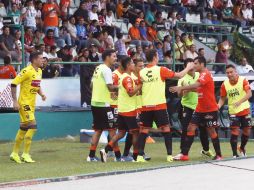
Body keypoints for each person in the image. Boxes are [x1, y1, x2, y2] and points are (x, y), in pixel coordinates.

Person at [136, 49, 194, 163]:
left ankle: (139, 156)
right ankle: (169, 156)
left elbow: (140, 88)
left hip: (146, 105)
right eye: (157, 55)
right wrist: (188, 67)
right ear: (155, 57)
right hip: (159, 105)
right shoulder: (161, 70)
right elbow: (179, 75)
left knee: (144, 130)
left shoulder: (141, 72)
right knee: (166, 129)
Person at [170, 57, 222, 161]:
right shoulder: (200, 75)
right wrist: (184, 89)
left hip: (209, 109)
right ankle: (184, 154)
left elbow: (197, 85)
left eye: (196, 63)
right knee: (190, 128)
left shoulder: (205, 74)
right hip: (199, 109)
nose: (194, 65)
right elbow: (197, 88)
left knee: (211, 131)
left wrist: (181, 88)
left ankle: (219, 155)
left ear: (202, 64)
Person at [100, 56, 142, 162]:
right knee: (136, 133)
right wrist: (141, 85)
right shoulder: (127, 78)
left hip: (122, 109)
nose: (134, 65)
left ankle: (105, 149)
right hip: (129, 110)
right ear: (128, 65)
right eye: (132, 63)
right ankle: (136, 157)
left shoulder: (126, 76)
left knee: (121, 133)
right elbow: (131, 92)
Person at [10, 51, 46, 164]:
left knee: (23, 129)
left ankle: (14, 153)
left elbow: (37, 84)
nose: (43, 60)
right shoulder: (26, 71)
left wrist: (42, 94)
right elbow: (13, 83)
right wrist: (15, 101)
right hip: (24, 103)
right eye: (41, 58)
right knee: (33, 126)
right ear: (34, 60)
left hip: (31, 103)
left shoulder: (39, 71)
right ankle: (25, 154)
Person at [87, 49, 120, 162]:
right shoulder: (106, 70)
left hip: (95, 102)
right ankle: (117, 156)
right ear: (107, 57)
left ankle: (91, 156)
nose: (116, 59)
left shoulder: (98, 68)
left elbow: (91, 85)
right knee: (112, 130)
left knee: (98, 130)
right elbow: (110, 87)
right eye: (114, 56)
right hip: (103, 104)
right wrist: (121, 87)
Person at [218, 64, 252, 158]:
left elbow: (249, 94)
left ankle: (241, 148)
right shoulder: (224, 84)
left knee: (247, 131)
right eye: (227, 73)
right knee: (234, 132)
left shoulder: (243, 80)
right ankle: (234, 154)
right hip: (233, 112)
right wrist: (218, 105)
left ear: (235, 72)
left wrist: (239, 102)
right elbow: (222, 98)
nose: (229, 74)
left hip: (245, 109)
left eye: (231, 72)